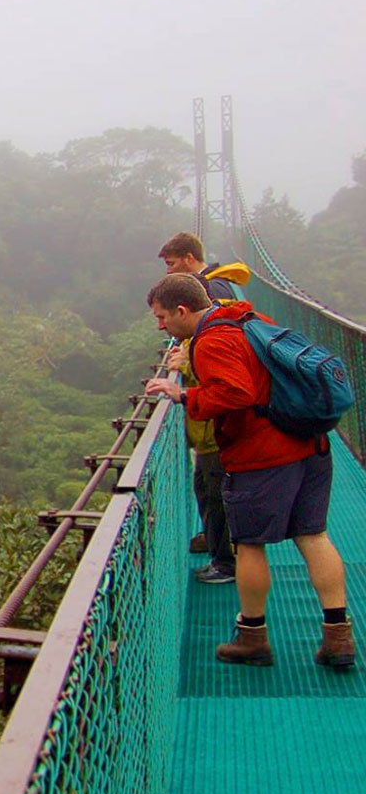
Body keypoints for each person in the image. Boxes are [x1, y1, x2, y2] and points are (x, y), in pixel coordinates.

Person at [144, 273, 355, 669]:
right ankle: (338, 637)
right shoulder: (248, 318)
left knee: (249, 545)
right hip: (309, 443)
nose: (161, 327)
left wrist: (185, 394)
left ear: (182, 310)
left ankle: (253, 637)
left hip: (263, 456)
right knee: (313, 536)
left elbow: (235, 392)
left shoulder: (211, 340)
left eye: (161, 317)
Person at [156, 232, 250, 581]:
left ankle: (225, 560)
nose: (161, 326)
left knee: (216, 491)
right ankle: (217, 544)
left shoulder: (215, 296)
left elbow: (227, 381)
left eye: (171, 263)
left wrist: (184, 383)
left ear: (189, 257)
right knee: (209, 489)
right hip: (213, 425)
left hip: (218, 427)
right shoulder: (213, 289)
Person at [157, 230, 244, 301]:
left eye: (171, 264)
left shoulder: (212, 289)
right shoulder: (214, 283)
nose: (168, 271)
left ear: (189, 258)